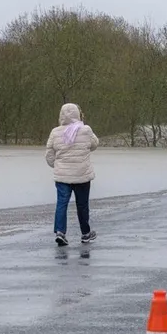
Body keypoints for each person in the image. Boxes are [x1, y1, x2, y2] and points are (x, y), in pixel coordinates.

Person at [45, 103, 99, 246]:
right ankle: (85, 233)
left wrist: (57, 166)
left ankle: (60, 232)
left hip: (62, 176)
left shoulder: (55, 132)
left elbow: (49, 154)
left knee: (62, 203)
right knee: (82, 205)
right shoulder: (85, 130)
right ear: (78, 114)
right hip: (82, 174)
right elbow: (94, 144)